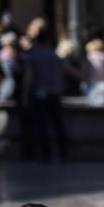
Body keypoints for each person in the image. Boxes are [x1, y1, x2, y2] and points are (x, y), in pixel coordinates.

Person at [22, 29, 70, 163]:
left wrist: (25, 94)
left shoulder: (32, 56)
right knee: (58, 124)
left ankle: (46, 154)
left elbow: (28, 77)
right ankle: (64, 153)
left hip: (40, 94)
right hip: (55, 93)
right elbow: (66, 69)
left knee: (42, 126)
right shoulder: (53, 55)